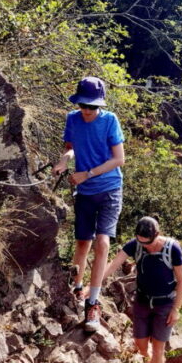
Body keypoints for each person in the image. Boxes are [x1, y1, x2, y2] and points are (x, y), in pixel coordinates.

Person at [52, 76, 125, 332]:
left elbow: (119, 159)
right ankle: (76, 286)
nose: (87, 110)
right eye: (83, 105)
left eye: (92, 106)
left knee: (102, 243)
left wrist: (87, 173)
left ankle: (93, 304)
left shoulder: (109, 121)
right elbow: (70, 148)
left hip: (109, 189)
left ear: (100, 106)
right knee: (83, 242)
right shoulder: (72, 118)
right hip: (84, 191)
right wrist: (63, 162)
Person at [102, 216, 182, 363]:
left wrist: (176, 309)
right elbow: (113, 265)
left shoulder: (172, 249)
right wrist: (94, 285)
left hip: (165, 305)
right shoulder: (135, 245)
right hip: (142, 301)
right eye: (140, 242)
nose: (144, 246)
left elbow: (181, 280)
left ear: (157, 234)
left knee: (158, 348)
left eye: (147, 243)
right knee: (140, 344)